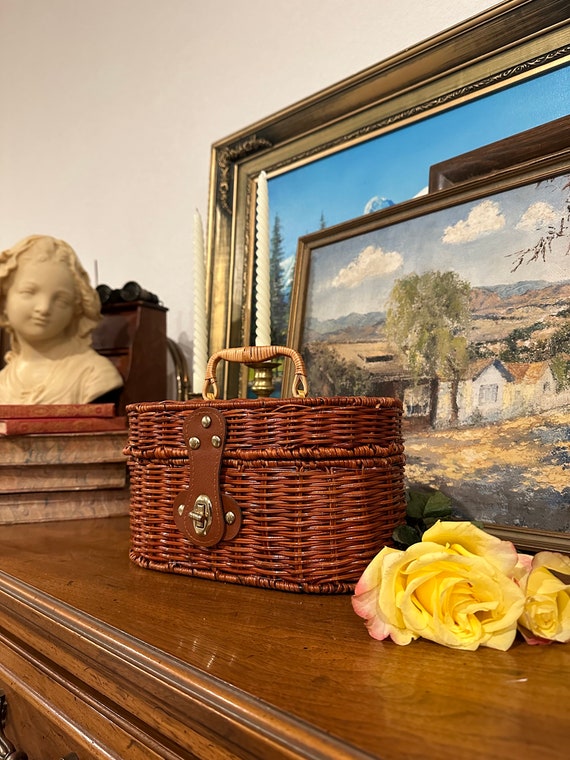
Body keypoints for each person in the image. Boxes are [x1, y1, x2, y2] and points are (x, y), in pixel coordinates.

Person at [0, 234, 123, 404]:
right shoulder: (4, 383)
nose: (44, 307)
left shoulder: (94, 376)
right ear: (4, 300)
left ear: (76, 309)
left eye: (61, 300)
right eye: (29, 292)